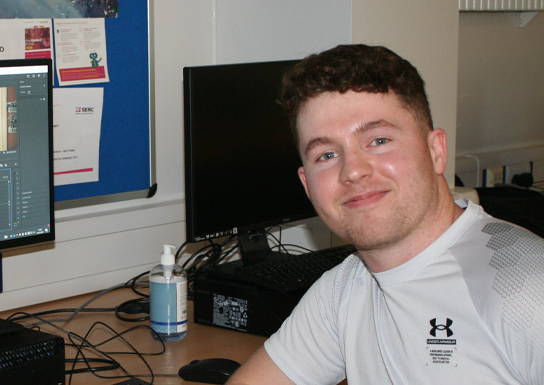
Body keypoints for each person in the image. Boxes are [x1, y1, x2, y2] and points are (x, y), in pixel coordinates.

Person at [228, 44, 544, 384]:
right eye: (326, 155)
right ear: (307, 185)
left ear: (436, 150)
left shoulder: (526, 290)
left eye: (378, 140)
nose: (353, 171)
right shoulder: (344, 291)